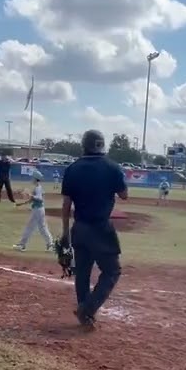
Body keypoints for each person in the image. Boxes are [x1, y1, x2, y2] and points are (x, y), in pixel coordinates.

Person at [60, 129, 128, 330]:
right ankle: (88, 309)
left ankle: (85, 313)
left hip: (79, 228)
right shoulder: (112, 167)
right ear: (101, 145)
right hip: (101, 228)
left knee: (82, 272)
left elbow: (66, 204)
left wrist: (65, 232)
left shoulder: (72, 168)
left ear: (84, 145)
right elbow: (124, 195)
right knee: (112, 271)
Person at [13, 172, 54, 251]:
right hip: (40, 209)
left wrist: (30, 195)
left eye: (33, 178)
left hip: (37, 210)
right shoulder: (38, 187)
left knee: (30, 227)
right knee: (43, 227)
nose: (32, 179)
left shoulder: (38, 188)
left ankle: (22, 245)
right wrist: (22, 203)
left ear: (35, 179)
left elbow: (39, 198)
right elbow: (33, 199)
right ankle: (50, 244)